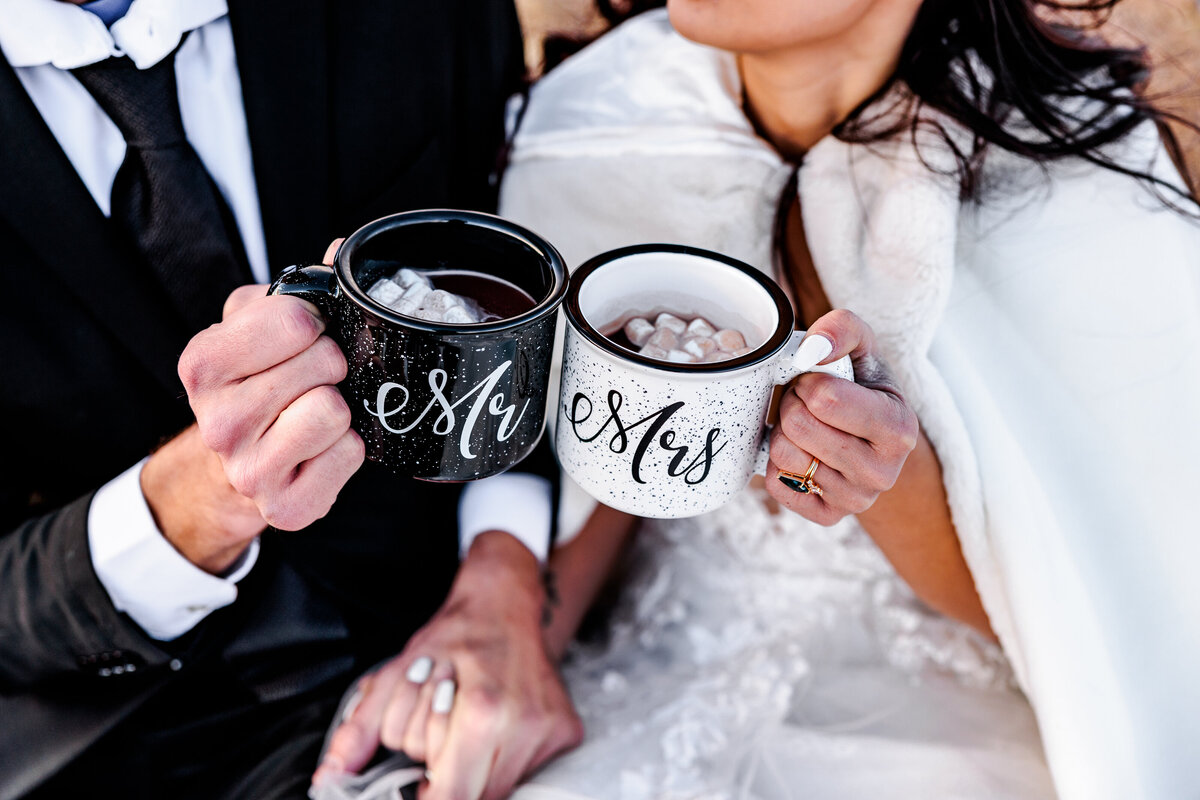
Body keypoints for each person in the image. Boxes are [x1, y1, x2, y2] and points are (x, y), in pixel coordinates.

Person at [490, 1, 1194, 798]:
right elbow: (590, 480)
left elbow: (1092, 603)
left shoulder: (1076, 189)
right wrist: (507, 648)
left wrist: (873, 470)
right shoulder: (609, 114)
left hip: (925, 716)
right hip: (645, 669)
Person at [0, 2, 581, 799]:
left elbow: (529, 288)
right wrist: (197, 505)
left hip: (471, 617)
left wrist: (504, 569)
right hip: (127, 720)